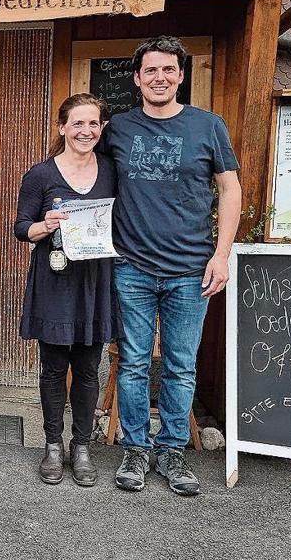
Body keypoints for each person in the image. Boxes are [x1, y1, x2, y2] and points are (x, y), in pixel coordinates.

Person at [101, 35, 241, 496]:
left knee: (180, 366)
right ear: (137, 78)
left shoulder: (208, 126)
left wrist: (221, 256)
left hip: (189, 269)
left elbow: (230, 190)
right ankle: (136, 449)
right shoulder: (119, 128)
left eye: (168, 70)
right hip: (132, 267)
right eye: (150, 71)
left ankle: (173, 451)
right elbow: (91, 179)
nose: (159, 78)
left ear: (181, 76)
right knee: (135, 363)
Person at [14, 93, 120, 487]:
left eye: (93, 124)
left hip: (95, 282)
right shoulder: (41, 175)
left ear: (101, 128)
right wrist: (45, 225)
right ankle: (53, 445)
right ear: (62, 127)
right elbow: (21, 227)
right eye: (77, 123)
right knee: (54, 369)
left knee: (89, 369)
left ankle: (82, 447)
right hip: (55, 280)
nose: (86, 131)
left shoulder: (112, 170)